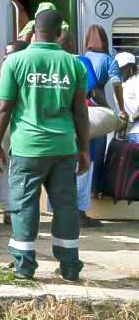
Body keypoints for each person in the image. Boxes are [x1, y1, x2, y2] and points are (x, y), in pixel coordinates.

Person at [0, 9, 89, 282]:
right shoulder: (75, 65)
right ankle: (70, 266)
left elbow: (3, 108)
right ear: (60, 33)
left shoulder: (15, 62)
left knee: (25, 206)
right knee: (65, 206)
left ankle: (24, 267)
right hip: (63, 148)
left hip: (27, 148)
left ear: (34, 32)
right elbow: (81, 112)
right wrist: (83, 150)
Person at [56, 31, 103, 227]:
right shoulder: (81, 62)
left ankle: (60, 212)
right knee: (85, 164)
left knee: (60, 169)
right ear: (70, 44)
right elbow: (92, 90)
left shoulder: (49, 63)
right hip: (78, 121)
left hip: (58, 124)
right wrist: (108, 110)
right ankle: (80, 213)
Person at [83, 24, 128, 198]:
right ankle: (95, 189)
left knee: (82, 149)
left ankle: (83, 191)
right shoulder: (109, 60)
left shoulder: (83, 56)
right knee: (99, 150)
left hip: (81, 107)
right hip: (99, 108)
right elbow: (117, 85)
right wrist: (120, 109)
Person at [0, 40, 29, 225]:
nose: (7, 57)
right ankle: (9, 210)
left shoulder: (13, 70)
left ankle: (15, 209)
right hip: (9, 126)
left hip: (21, 125)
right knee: (7, 168)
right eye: (6, 54)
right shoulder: (9, 71)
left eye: (11, 53)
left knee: (18, 169)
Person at [117, 53, 138, 143]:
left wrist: (130, 120)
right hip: (128, 133)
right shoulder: (123, 83)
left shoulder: (136, 81)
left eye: (121, 68)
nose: (118, 71)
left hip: (136, 132)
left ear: (129, 67)